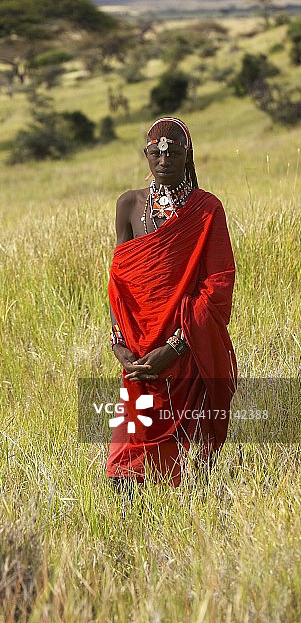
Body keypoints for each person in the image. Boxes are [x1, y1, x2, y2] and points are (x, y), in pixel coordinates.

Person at [106, 117, 237, 488]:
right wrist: (119, 343)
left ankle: (188, 511)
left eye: (174, 153)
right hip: (138, 350)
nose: (164, 160)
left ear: (187, 155)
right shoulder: (128, 205)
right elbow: (119, 283)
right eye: (156, 153)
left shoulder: (206, 209)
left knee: (185, 465)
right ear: (146, 155)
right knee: (124, 468)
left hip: (185, 350)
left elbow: (217, 287)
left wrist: (175, 347)